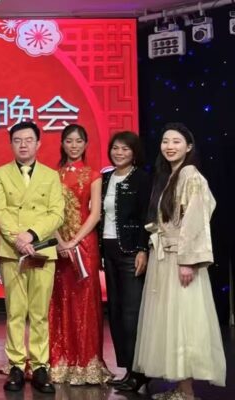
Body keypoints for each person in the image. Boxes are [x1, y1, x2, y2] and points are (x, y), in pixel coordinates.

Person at [133, 123, 225, 399]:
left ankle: (187, 392)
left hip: (179, 258)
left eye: (176, 141)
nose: (170, 146)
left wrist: (188, 261)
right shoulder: (170, 176)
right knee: (170, 323)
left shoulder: (190, 174)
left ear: (189, 146)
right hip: (164, 258)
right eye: (165, 141)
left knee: (184, 322)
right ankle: (180, 388)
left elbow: (195, 220)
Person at [0, 121, 63, 394]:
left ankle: (41, 366)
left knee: (39, 312)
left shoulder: (50, 176)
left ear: (38, 143)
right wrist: (18, 239)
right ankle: (16, 366)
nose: (23, 145)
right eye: (18, 140)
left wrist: (32, 235)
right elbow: (0, 211)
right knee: (15, 311)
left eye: (28, 140)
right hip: (12, 251)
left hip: (42, 249)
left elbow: (56, 213)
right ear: (11, 144)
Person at [48, 124, 112, 385]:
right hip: (59, 245)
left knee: (85, 301)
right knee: (60, 299)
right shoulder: (53, 176)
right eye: (69, 141)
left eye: (78, 141)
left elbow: (95, 214)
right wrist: (60, 241)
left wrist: (74, 241)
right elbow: (49, 213)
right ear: (62, 144)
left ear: (85, 145)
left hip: (85, 245)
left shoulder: (93, 175)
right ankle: (62, 360)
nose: (73, 146)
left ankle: (87, 362)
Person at [98, 131, 152, 392]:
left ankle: (139, 372)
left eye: (125, 149)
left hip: (131, 252)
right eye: (115, 148)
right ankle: (127, 369)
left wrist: (142, 249)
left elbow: (146, 216)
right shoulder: (106, 178)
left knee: (132, 314)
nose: (119, 153)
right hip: (108, 251)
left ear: (134, 153)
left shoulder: (142, 178)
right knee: (116, 312)